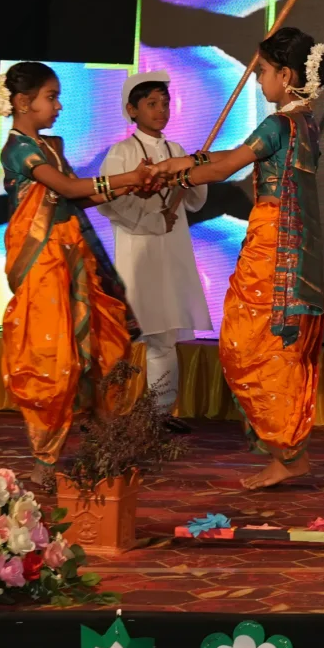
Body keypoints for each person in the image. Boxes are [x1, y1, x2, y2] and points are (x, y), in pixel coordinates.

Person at [148, 28, 324, 489]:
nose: (258, 79)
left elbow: (227, 167)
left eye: (264, 71)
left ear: (286, 76)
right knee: (271, 346)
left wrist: (177, 175)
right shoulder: (304, 122)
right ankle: (287, 451)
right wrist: (184, 163)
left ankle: (287, 453)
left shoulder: (279, 124)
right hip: (290, 240)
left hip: (275, 241)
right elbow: (230, 156)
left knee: (250, 343)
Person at [0, 60, 155, 469]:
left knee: (102, 344)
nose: (59, 106)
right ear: (23, 103)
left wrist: (131, 185)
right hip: (42, 261)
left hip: (72, 255)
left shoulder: (49, 146)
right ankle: (45, 459)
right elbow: (64, 187)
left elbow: (76, 198)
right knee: (53, 356)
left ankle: (104, 441)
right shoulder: (20, 149)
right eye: (52, 97)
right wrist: (126, 178)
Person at [98, 71, 213, 430]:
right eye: (151, 103)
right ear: (132, 110)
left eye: (165, 103)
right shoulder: (122, 152)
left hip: (171, 250)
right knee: (127, 332)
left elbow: (194, 201)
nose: (161, 110)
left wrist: (197, 169)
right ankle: (104, 412)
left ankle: (161, 414)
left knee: (164, 335)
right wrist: (152, 221)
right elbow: (110, 203)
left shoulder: (176, 150)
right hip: (138, 252)